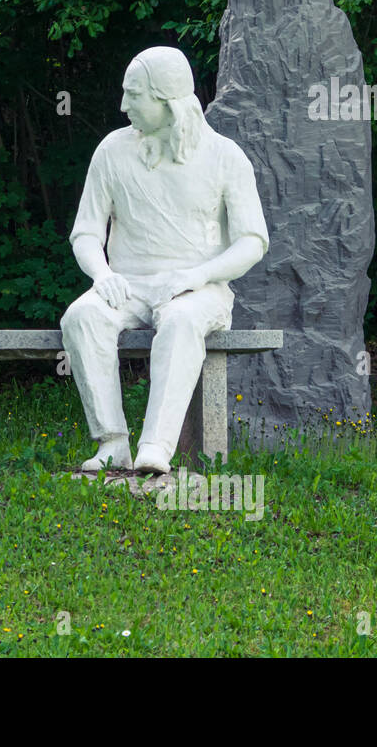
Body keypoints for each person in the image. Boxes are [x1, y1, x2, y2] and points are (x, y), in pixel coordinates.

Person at [61, 46, 269, 473]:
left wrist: (198, 276)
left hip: (200, 290)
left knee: (179, 321)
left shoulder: (225, 156)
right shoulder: (112, 151)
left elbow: (252, 241)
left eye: (134, 95)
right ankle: (113, 442)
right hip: (127, 285)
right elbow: (84, 233)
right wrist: (101, 274)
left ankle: (156, 446)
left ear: (167, 101)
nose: (123, 106)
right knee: (81, 317)